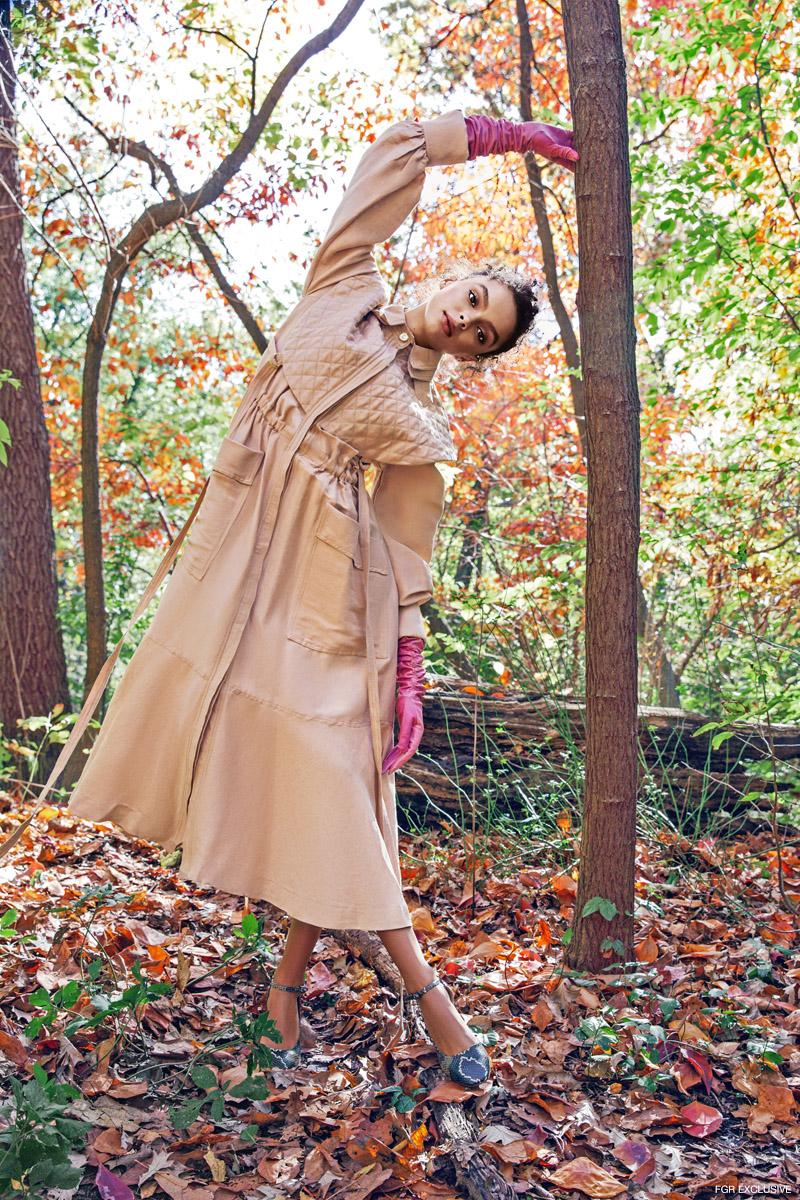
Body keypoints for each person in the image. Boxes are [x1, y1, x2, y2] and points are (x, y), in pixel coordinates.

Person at [68, 108, 577, 1086]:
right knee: (320, 788)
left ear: (472, 358)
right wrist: (504, 136)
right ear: (446, 276)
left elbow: (405, 541)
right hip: (232, 577)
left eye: (481, 335)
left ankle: (339, 996)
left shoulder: (420, 428)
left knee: (336, 786)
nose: (464, 321)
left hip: (328, 600)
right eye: (471, 299)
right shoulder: (345, 288)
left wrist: (411, 674)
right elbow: (390, 150)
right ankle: (371, 1004)